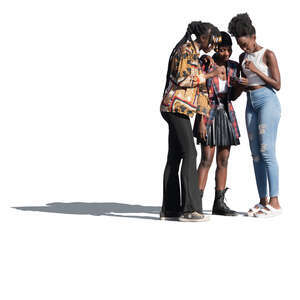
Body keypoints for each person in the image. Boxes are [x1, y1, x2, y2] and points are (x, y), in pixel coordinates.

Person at [160, 21, 222, 222]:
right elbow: (182, 79)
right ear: (203, 37)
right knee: (190, 153)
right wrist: (208, 75)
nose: (213, 44)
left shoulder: (193, 53)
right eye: (211, 39)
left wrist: (203, 116)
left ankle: (170, 210)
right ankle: (190, 210)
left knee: (176, 155)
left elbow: (198, 89)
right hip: (175, 108)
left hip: (179, 109)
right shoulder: (185, 50)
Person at [228, 13, 282, 217]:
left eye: (246, 44)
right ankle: (263, 201)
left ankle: (275, 202)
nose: (244, 49)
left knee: (267, 150)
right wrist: (240, 85)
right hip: (250, 103)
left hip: (267, 101)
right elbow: (235, 94)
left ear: (253, 36)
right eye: (241, 46)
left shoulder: (267, 54)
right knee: (256, 155)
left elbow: (278, 84)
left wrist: (256, 72)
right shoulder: (242, 58)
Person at [193, 31, 244, 216]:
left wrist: (240, 86)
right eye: (222, 50)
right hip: (208, 113)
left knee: (223, 159)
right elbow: (199, 91)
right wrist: (200, 121)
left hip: (226, 113)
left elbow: (233, 97)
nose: (226, 54)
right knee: (206, 158)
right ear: (216, 49)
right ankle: (195, 202)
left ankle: (219, 204)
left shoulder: (233, 67)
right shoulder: (206, 63)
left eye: (228, 50)